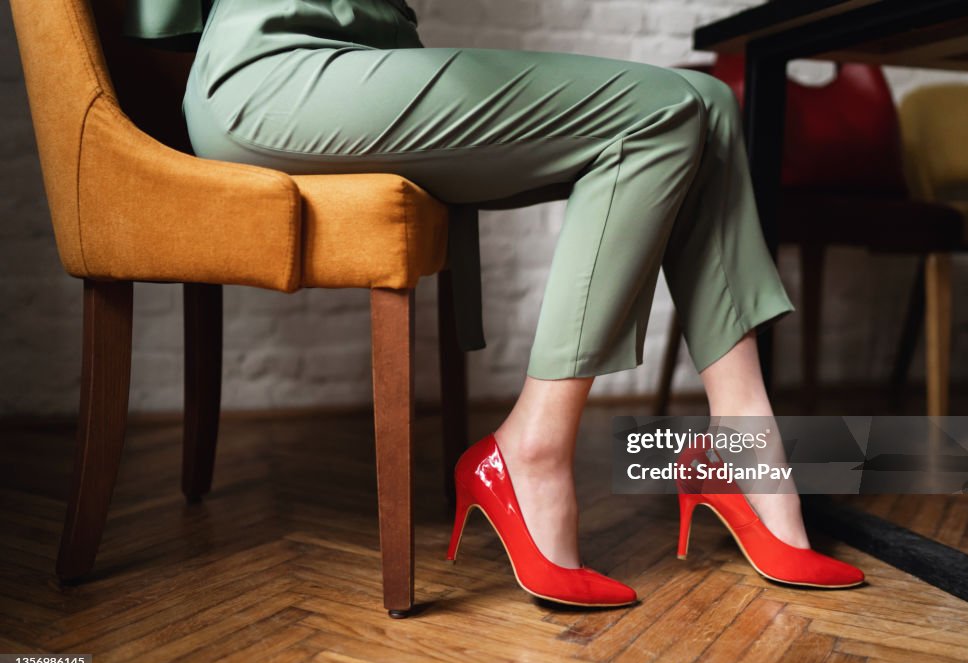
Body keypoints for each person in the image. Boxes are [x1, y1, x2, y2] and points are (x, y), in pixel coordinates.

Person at [126, 0, 864, 607]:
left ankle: (744, 443)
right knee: (662, 111)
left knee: (711, 104)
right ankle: (531, 448)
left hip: (376, 63)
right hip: (272, 72)